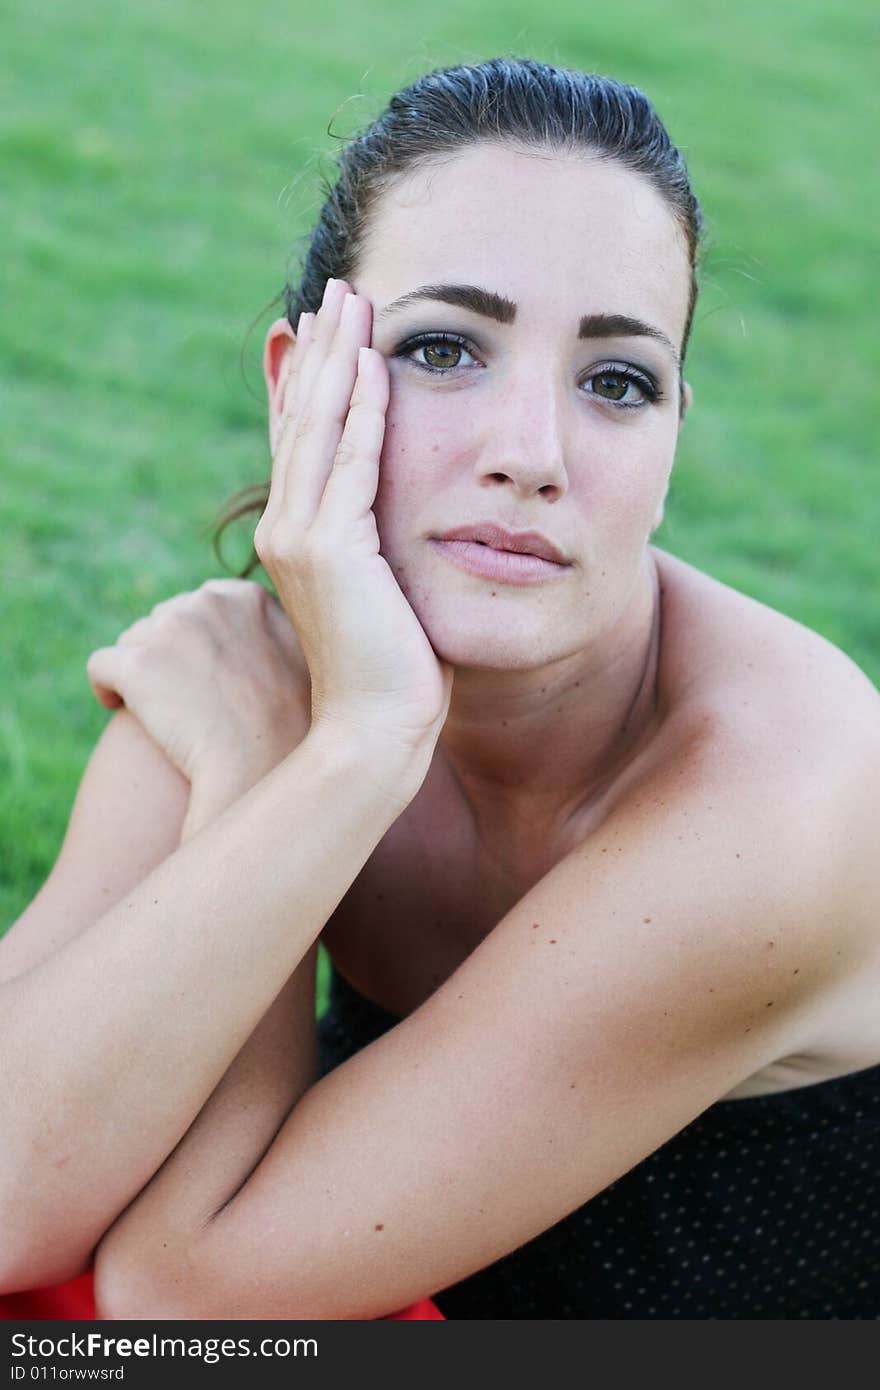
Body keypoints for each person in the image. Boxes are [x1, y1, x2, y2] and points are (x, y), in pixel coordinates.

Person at [1, 57, 878, 1322]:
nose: (529, 453)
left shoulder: (780, 798)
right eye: (445, 349)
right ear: (301, 385)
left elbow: (184, 1305)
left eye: (615, 381)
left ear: (672, 437)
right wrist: (323, 761)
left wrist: (291, 776)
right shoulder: (257, 674)